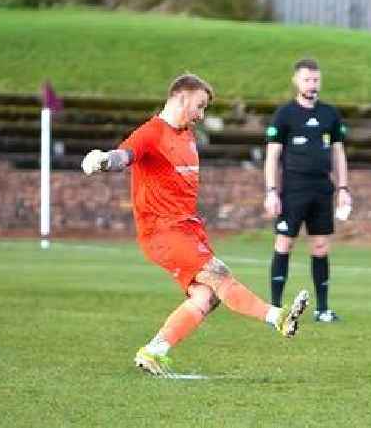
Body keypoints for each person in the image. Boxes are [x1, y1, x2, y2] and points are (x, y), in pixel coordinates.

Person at [81, 73, 309, 377]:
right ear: (180, 97)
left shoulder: (186, 134)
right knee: (220, 275)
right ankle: (278, 318)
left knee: (206, 296)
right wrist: (102, 160)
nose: (201, 115)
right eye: (199, 106)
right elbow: (125, 155)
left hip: (187, 229)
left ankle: (154, 351)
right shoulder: (152, 133)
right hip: (163, 232)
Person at [263, 58, 352, 323]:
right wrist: (271, 191)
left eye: (315, 79)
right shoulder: (284, 115)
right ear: (296, 81)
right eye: (307, 79)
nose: (312, 84)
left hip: (322, 189)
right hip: (293, 189)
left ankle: (322, 309)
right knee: (284, 243)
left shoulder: (330, 114)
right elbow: (272, 156)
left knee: (321, 246)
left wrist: (343, 187)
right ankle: (275, 309)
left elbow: (339, 153)